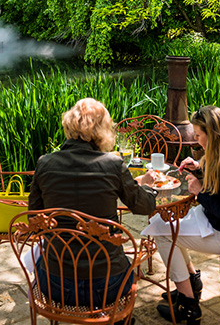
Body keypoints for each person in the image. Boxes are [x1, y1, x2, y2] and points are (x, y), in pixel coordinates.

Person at [28, 98, 158, 314]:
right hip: (107, 285)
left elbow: (32, 218)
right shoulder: (113, 164)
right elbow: (144, 206)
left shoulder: (44, 163)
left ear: (69, 125)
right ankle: (115, 317)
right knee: (125, 261)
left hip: (55, 285)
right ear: (103, 130)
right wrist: (148, 187)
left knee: (37, 254)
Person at [151, 105, 220, 325]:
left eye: (199, 135)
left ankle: (189, 303)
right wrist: (198, 170)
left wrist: (201, 194)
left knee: (161, 232)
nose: (197, 140)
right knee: (161, 221)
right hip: (216, 221)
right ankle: (191, 280)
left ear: (213, 135)